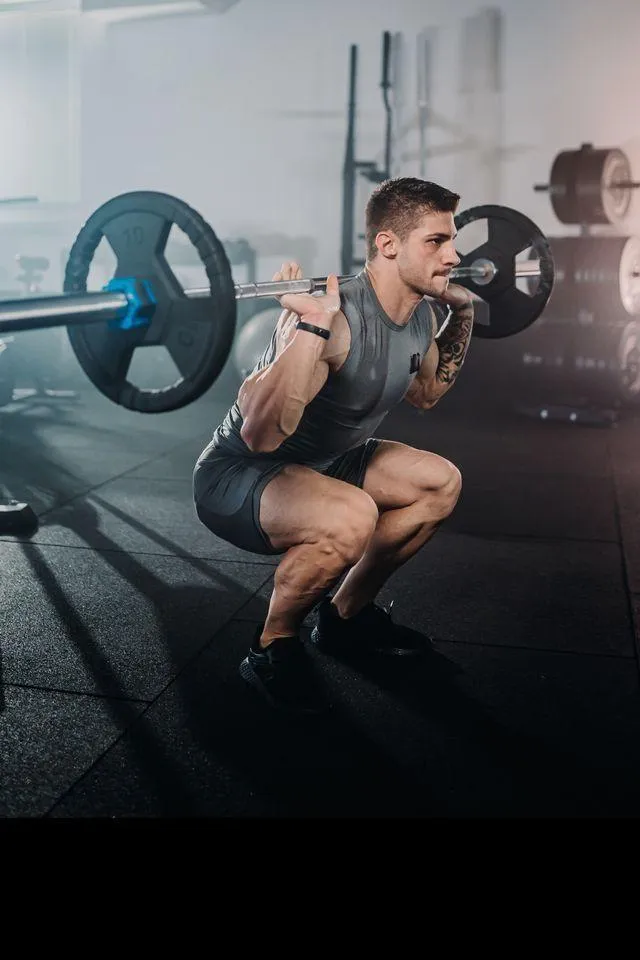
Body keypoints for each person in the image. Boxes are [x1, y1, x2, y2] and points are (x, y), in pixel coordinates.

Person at [193, 177, 474, 713]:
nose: (454, 255)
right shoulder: (337, 314)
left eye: (451, 240)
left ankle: (345, 617)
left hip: (326, 462)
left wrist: (463, 314)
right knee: (353, 517)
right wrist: (311, 327)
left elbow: (427, 393)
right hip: (243, 474)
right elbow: (260, 435)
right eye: (436, 241)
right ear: (389, 244)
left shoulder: (419, 315)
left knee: (439, 483)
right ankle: (271, 645)